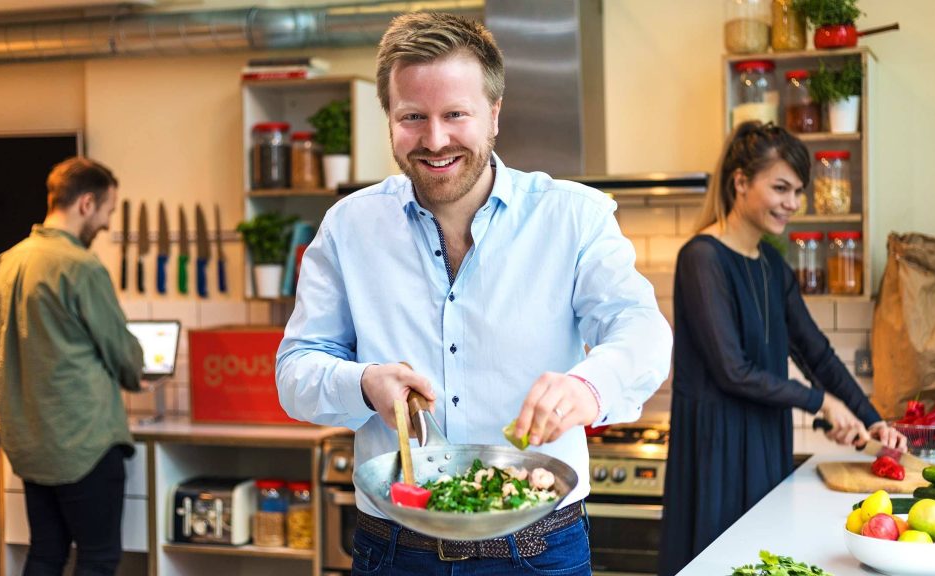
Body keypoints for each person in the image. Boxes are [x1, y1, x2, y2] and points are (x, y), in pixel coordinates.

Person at [276, 12, 672, 576]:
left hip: (538, 550)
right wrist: (362, 384)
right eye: (413, 117)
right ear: (389, 118)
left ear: (493, 115)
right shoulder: (348, 227)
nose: (435, 140)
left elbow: (643, 330)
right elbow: (295, 371)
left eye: (455, 114)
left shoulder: (572, 217)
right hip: (393, 551)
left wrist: (590, 385)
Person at [657, 122, 907, 576]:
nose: (792, 203)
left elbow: (817, 354)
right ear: (740, 183)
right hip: (718, 451)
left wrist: (872, 419)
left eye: (798, 191)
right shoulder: (701, 258)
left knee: (765, 561)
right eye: (780, 188)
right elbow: (732, 369)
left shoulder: (772, 262)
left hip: (767, 443)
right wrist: (821, 403)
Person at [0, 156, 144, 576]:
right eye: (108, 211)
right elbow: (123, 353)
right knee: (98, 556)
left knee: (46, 553)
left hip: (31, 443)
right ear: (86, 204)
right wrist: (136, 371)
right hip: (83, 443)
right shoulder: (80, 266)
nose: (106, 224)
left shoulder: (6, 262)